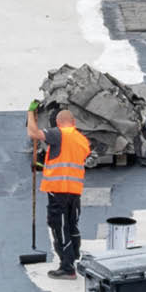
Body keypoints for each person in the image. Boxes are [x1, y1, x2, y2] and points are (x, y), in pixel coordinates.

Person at [26, 104, 91, 279]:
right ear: (74, 122)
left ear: (58, 122)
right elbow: (65, 158)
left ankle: (67, 267)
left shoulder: (59, 134)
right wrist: (42, 165)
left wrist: (31, 114)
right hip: (74, 191)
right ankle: (74, 256)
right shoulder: (82, 140)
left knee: (60, 227)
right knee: (71, 225)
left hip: (58, 190)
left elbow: (33, 134)